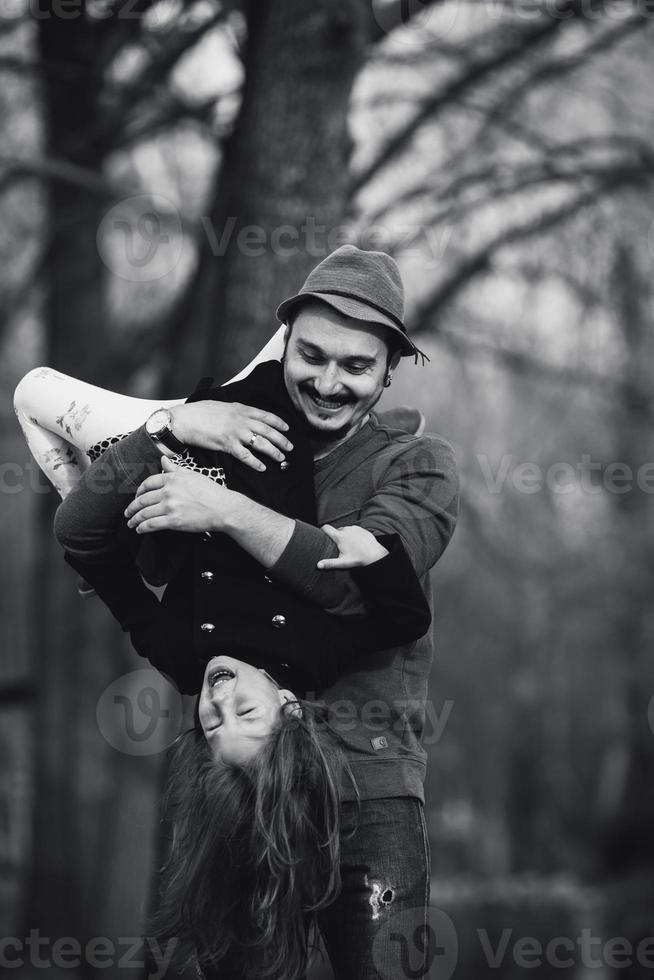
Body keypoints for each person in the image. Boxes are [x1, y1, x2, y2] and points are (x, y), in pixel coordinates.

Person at [115, 244, 460, 980]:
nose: (328, 382)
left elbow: (361, 584)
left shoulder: (418, 465)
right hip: (238, 785)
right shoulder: (227, 445)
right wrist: (178, 424)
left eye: (356, 366)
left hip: (367, 786)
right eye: (312, 355)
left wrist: (223, 509)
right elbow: (133, 547)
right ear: (286, 347)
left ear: (389, 369)